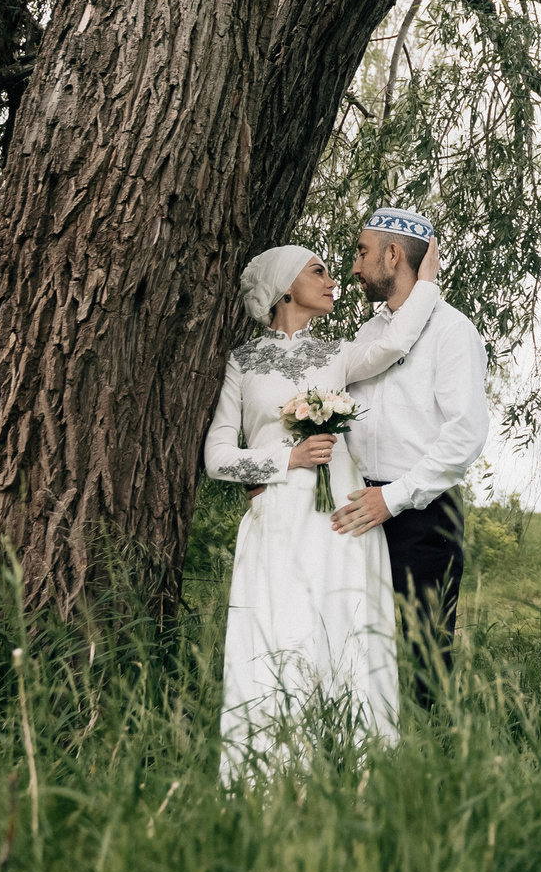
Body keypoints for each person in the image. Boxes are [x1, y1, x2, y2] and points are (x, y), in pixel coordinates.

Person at [202, 243, 435, 773]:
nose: (333, 280)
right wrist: (287, 459)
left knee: (347, 635)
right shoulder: (243, 363)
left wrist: (427, 278)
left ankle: (359, 774)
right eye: (319, 271)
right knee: (280, 636)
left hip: (342, 522)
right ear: (286, 287)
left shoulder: (338, 354)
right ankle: (269, 777)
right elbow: (217, 458)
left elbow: (399, 340)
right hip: (278, 521)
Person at [306, 208, 489, 709]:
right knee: (357, 653)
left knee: (424, 663)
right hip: (358, 510)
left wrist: (395, 498)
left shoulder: (453, 332)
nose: (353, 268)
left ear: (393, 254)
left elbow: (465, 435)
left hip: (423, 517)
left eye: (363, 252)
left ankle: (430, 771)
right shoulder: (369, 337)